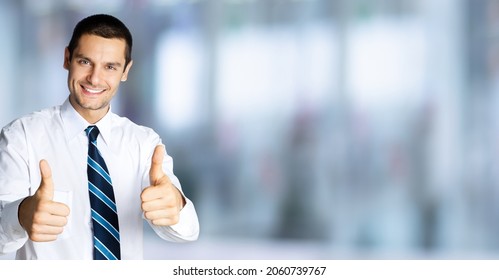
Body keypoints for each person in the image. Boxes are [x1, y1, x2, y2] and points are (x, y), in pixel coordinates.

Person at [0, 14, 199, 260]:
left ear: (126, 71)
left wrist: (175, 204)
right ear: (67, 59)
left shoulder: (144, 144)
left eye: (110, 67)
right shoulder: (21, 137)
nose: (94, 78)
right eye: (85, 61)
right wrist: (20, 215)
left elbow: (188, 231)